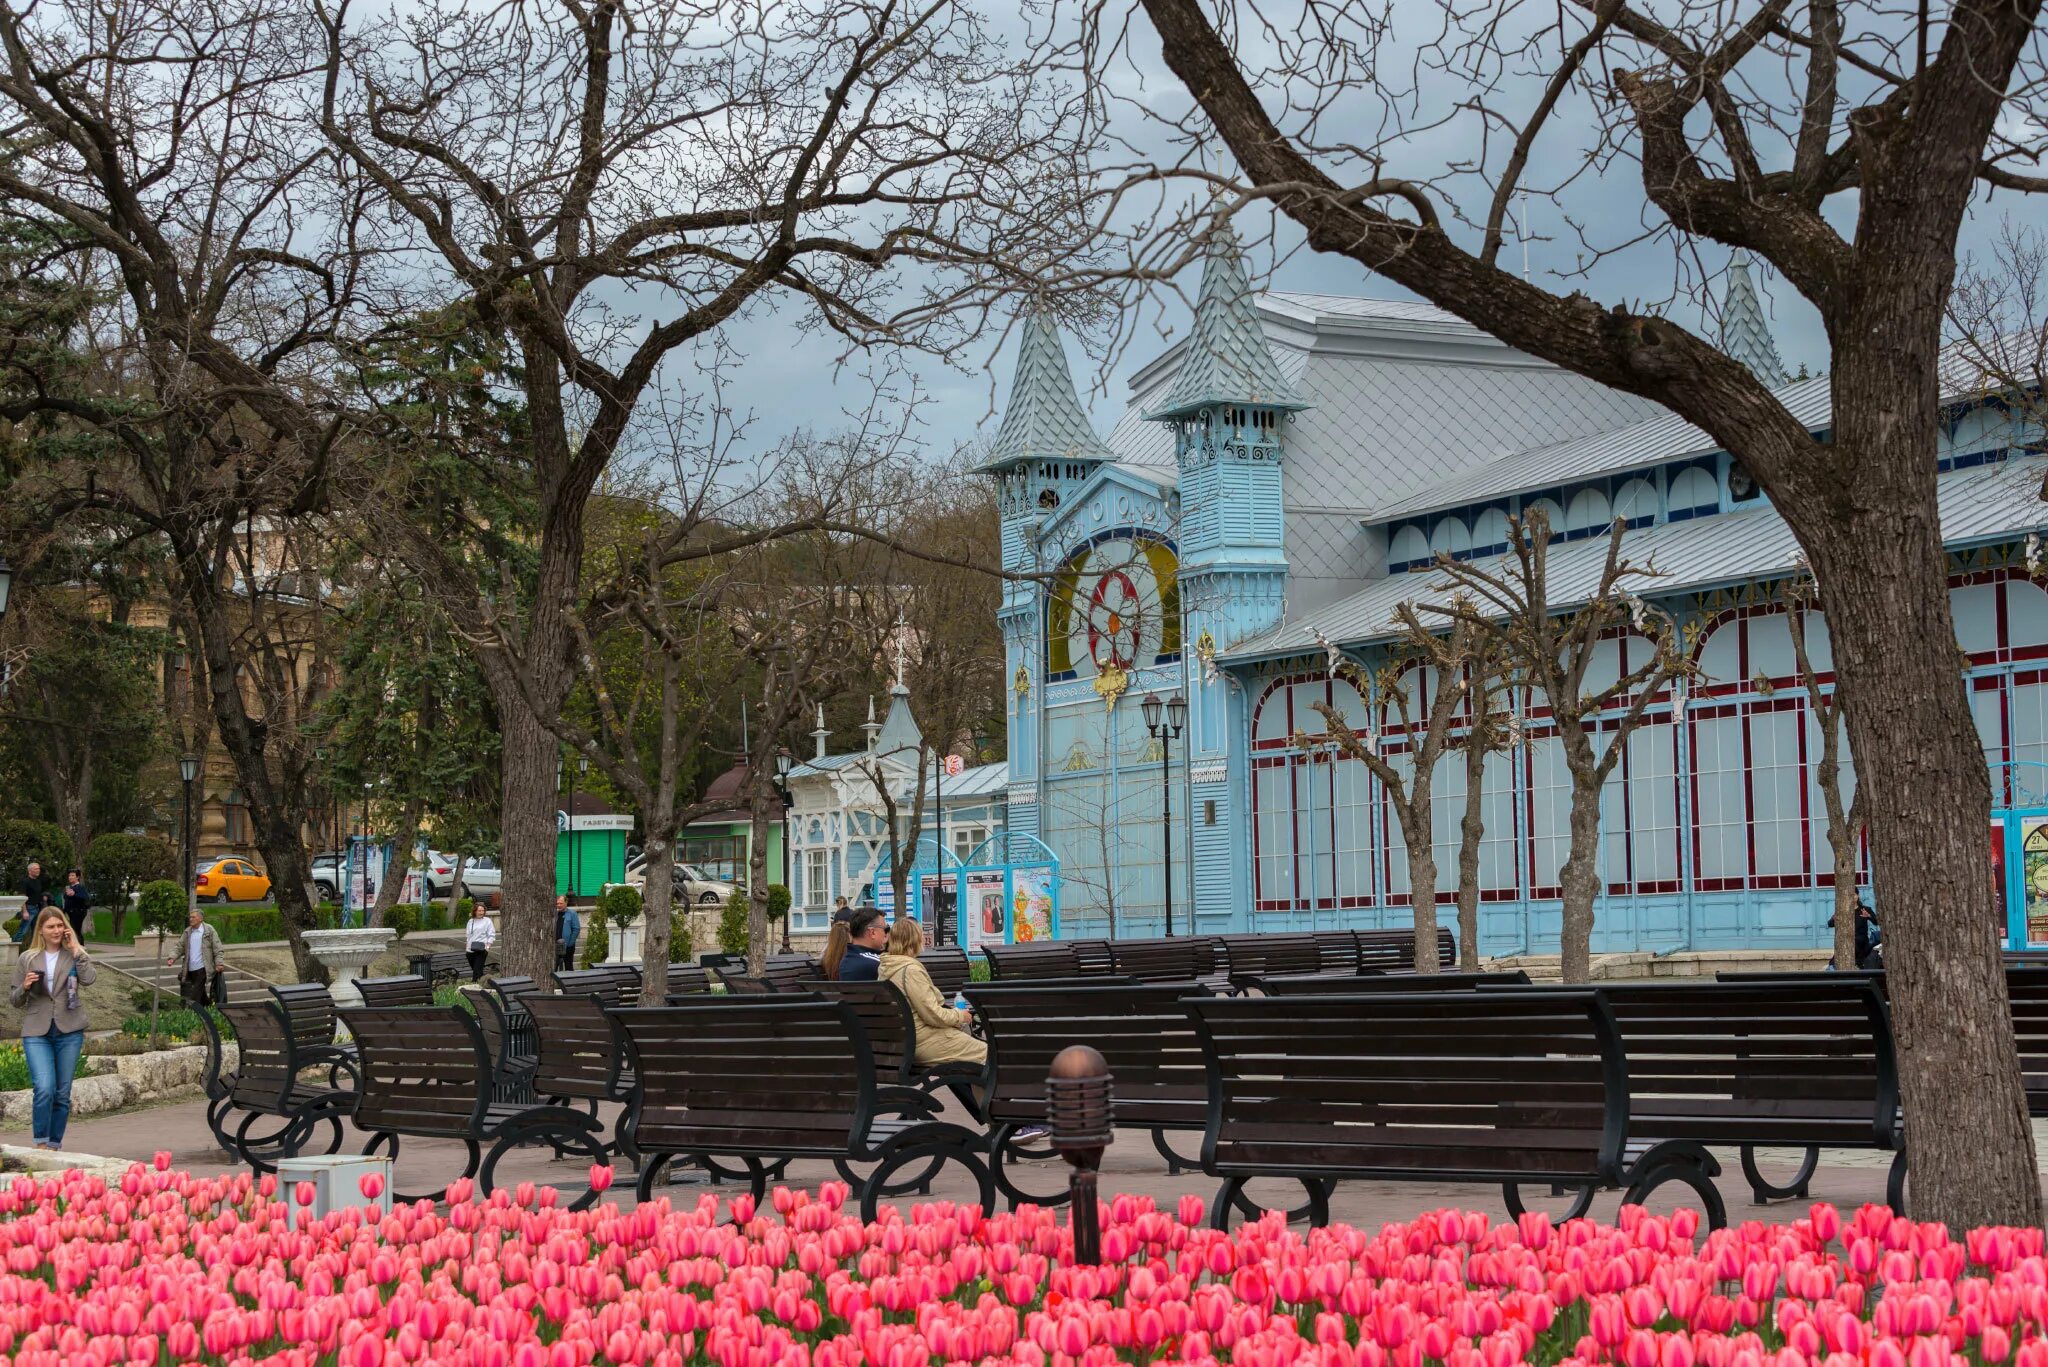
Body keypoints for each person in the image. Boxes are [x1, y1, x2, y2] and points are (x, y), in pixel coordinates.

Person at [12, 907, 96, 1150]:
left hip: (69, 1030)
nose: (57, 930)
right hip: (37, 1031)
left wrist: (77, 950)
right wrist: (25, 987)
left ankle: (54, 1145)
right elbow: (14, 1000)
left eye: (60, 925)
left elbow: (90, 979)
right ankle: (40, 1143)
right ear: (41, 930)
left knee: (62, 1093)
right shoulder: (27, 958)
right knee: (44, 1088)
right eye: (51, 927)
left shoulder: (74, 954)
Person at [877, 917, 984, 1067]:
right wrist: (960, 1016)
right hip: (923, 1041)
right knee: (988, 1054)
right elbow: (932, 1014)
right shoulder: (910, 970)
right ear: (914, 940)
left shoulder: (886, 967)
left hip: (904, 1041)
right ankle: (995, 1091)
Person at [164, 906, 222, 1008]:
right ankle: (210, 1008)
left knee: (195, 994)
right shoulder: (187, 932)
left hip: (203, 968)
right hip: (190, 969)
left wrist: (219, 963)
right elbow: (180, 946)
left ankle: (191, 1012)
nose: (190, 919)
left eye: (193, 917)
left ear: (200, 918)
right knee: (201, 994)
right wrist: (172, 957)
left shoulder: (209, 930)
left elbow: (217, 948)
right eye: (190, 917)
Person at [837, 907, 888, 982]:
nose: (885, 934)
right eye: (885, 929)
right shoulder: (881, 963)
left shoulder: (847, 961)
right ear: (872, 932)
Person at [15, 861, 50, 945]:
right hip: (29, 909)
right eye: (36, 869)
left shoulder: (38, 881)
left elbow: (36, 894)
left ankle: (33, 952)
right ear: (30, 871)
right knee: (22, 931)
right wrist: (25, 911)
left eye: (39, 869)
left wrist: (43, 897)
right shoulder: (25, 882)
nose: (38, 870)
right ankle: (12, 951)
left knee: (36, 933)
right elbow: (22, 898)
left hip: (37, 909)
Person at [464, 904, 497, 981]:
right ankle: (483, 982)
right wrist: (467, 946)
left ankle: (474, 983)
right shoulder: (470, 921)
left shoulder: (487, 921)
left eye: (483, 910)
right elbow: (468, 935)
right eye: (479, 910)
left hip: (482, 949)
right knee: (477, 970)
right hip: (470, 949)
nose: (481, 912)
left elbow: (491, 934)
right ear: (475, 911)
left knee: (477, 969)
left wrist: (488, 947)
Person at [60, 870, 90, 941]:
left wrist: (74, 894)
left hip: (78, 912)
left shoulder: (80, 887)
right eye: (69, 875)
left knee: (75, 930)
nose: (70, 877)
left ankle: (80, 946)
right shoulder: (69, 887)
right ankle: (75, 946)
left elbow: (85, 897)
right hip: (70, 912)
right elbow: (66, 898)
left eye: (72, 875)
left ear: (77, 877)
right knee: (72, 930)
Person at [556, 896, 580, 971]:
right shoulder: (554, 913)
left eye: (561, 903)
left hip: (568, 946)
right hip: (555, 945)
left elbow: (576, 929)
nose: (559, 905)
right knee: (554, 966)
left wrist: (570, 943)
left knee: (568, 967)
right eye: (557, 903)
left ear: (566, 903)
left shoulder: (572, 913)